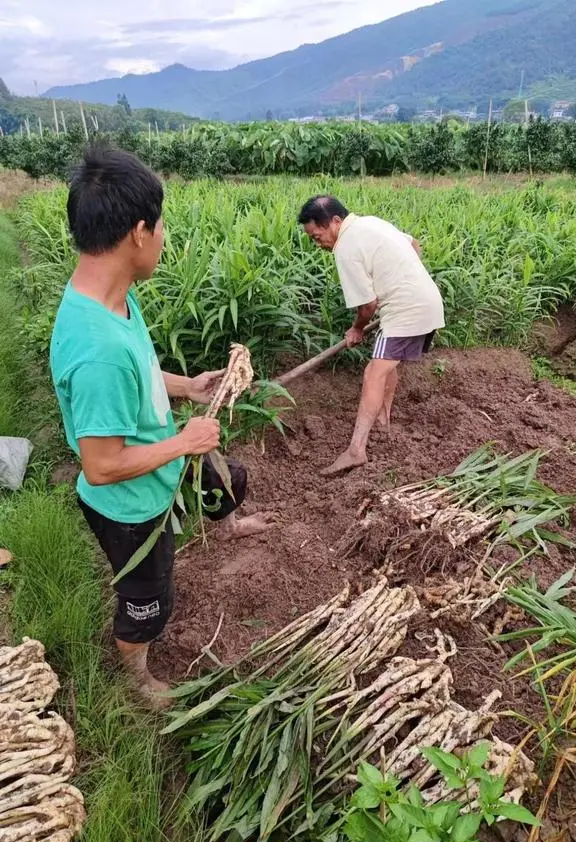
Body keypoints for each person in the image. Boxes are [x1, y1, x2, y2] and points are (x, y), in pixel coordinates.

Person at [50, 146, 270, 707]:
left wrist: (187, 386)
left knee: (227, 476)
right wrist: (183, 440)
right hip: (127, 508)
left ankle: (231, 526)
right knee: (148, 599)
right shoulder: (94, 349)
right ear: (140, 233)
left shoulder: (114, 299)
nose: (165, 236)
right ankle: (138, 679)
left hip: (158, 466)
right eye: (163, 224)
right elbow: (99, 467)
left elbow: (140, 373)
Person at [298, 196, 445, 475]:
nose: (318, 245)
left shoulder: (345, 248)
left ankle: (356, 450)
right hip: (425, 301)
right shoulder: (371, 223)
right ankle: (383, 423)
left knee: (373, 373)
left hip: (407, 310)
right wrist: (402, 277)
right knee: (387, 364)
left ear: (336, 222)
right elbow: (414, 245)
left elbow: (367, 306)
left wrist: (356, 328)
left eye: (318, 237)